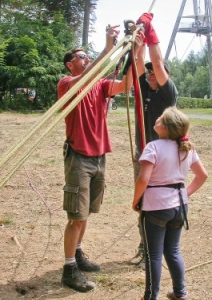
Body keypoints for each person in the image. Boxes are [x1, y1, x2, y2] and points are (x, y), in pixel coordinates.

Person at [57, 26, 144, 292]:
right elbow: (82, 81)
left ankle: (78, 253)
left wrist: (136, 51)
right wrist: (108, 49)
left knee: (85, 214)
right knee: (76, 215)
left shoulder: (101, 85)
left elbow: (131, 80)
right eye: (81, 57)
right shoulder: (66, 83)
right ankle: (69, 269)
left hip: (99, 157)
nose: (85, 59)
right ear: (70, 64)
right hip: (79, 156)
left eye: (87, 56)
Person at [132, 107, 208, 300]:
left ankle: (150, 296)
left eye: (160, 117)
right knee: (173, 251)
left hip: (156, 208)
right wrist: (185, 194)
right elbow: (202, 176)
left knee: (153, 255)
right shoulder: (186, 148)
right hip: (179, 208)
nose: (157, 118)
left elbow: (143, 180)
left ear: (165, 127)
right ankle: (180, 293)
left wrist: (136, 201)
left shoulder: (153, 147)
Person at [130, 12, 178, 268]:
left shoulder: (168, 92)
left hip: (163, 160)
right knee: (142, 203)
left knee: (159, 205)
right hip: (144, 154)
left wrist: (151, 33)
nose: (150, 74)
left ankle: (157, 251)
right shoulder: (144, 89)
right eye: (148, 74)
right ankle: (144, 247)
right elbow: (141, 64)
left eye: (155, 74)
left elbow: (157, 63)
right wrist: (138, 43)